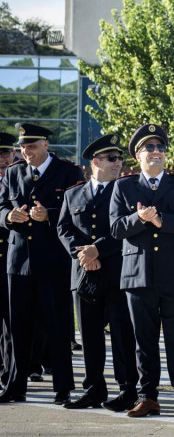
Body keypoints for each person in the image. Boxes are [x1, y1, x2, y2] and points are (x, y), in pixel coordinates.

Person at [109, 123, 174, 418]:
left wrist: (163, 221)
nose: (157, 152)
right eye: (150, 147)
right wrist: (138, 217)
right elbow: (114, 228)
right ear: (138, 155)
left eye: (161, 147)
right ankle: (148, 397)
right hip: (138, 276)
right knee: (144, 342)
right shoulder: (123, 186)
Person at [0, 123, 82, 405]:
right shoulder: (13, 172)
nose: (26, 152)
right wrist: (10, 217)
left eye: (32, 146)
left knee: (57, 327)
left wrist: (49, 214)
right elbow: (0, 207)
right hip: (18, 261)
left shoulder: (68, 172)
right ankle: (14, 385)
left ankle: (62, 387)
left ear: (46, 145)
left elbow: (78, 212)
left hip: (53, 262)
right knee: (16, 328)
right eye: (23, 147)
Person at [56, 134, 139, 412]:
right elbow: (63, 228)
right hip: (83, 275)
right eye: (112, 159)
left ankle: (128, 389)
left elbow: (127, 228)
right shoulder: (73, 193)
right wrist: (82, 254)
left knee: (122, 335)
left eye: (120, 159)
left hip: (116, 272)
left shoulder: (127, 190)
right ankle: (93, 389)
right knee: (89, 336)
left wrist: (97, 251)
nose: (118, 164)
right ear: (96, 162)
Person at [0, 131, 16, 395]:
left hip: (12, 260)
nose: (2, 160)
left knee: (9, 322)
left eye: (5, 153)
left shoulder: (19, 179)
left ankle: (8, 373)